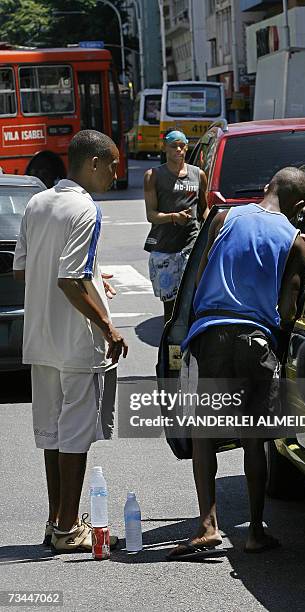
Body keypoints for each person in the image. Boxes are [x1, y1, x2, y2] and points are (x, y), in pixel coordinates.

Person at [168, 167, 305, 560]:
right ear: (299, 206)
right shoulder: (296, 242)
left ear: (267, 187)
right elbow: (286, 312)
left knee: (203, 432)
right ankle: (255, 532)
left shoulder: (223, 217)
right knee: (253, 437)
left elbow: (195, 280)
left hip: (210, 334)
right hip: (256, 340)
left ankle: (207, 525)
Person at [13, 130, 128, 553]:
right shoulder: (85, 208)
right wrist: (108, 328)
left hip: (40, 336)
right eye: (112, 164)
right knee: (75, 434)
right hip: (77, 340)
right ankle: (66, 529)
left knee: (52, 433)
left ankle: (56, 520)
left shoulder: (37, 202)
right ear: (93, 163)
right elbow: (68, 279)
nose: (117, 173)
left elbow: (24, 272)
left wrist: (95, 280)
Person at [144, 129, 208, 323]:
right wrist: (173, 217)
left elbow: (204, 209)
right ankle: (171, 347)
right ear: (165, 148)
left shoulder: (198, 175)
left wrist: (213, 226)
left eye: (182, 146)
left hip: (192, 246)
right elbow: (151, 215)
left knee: (194, 300)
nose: (178, 150)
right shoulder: (153, 175)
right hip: (165, 248)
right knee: (170, 307)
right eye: (174, 146)